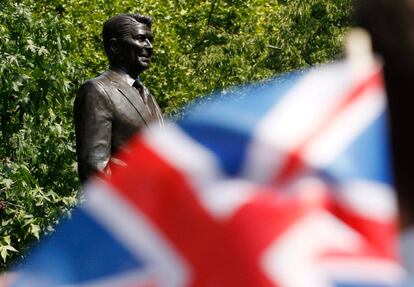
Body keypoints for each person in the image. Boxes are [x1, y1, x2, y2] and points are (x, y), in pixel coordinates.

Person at [74, 13, 164, 183]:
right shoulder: (97, 91)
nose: (149, 46)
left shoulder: (146, 94)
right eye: (141, 38)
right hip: (127, 204)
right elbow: (95, 171)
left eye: (150, 39)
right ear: (115, 46)